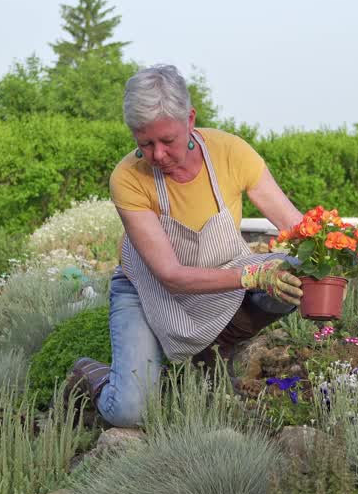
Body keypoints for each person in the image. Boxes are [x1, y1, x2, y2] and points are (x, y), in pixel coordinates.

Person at [66, 64, 305, 428]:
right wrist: (253, 275)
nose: (158, 155)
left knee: (296, 271)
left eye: (167, 140)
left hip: (223, 277)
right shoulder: (128, 178)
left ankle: (209, 355)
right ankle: (93, 373)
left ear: (190, 119)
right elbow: (171, 276)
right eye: (145, 143)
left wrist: (334, 248)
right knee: (131, 412)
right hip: (148, 292)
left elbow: (294, 226)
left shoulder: (230, 152)